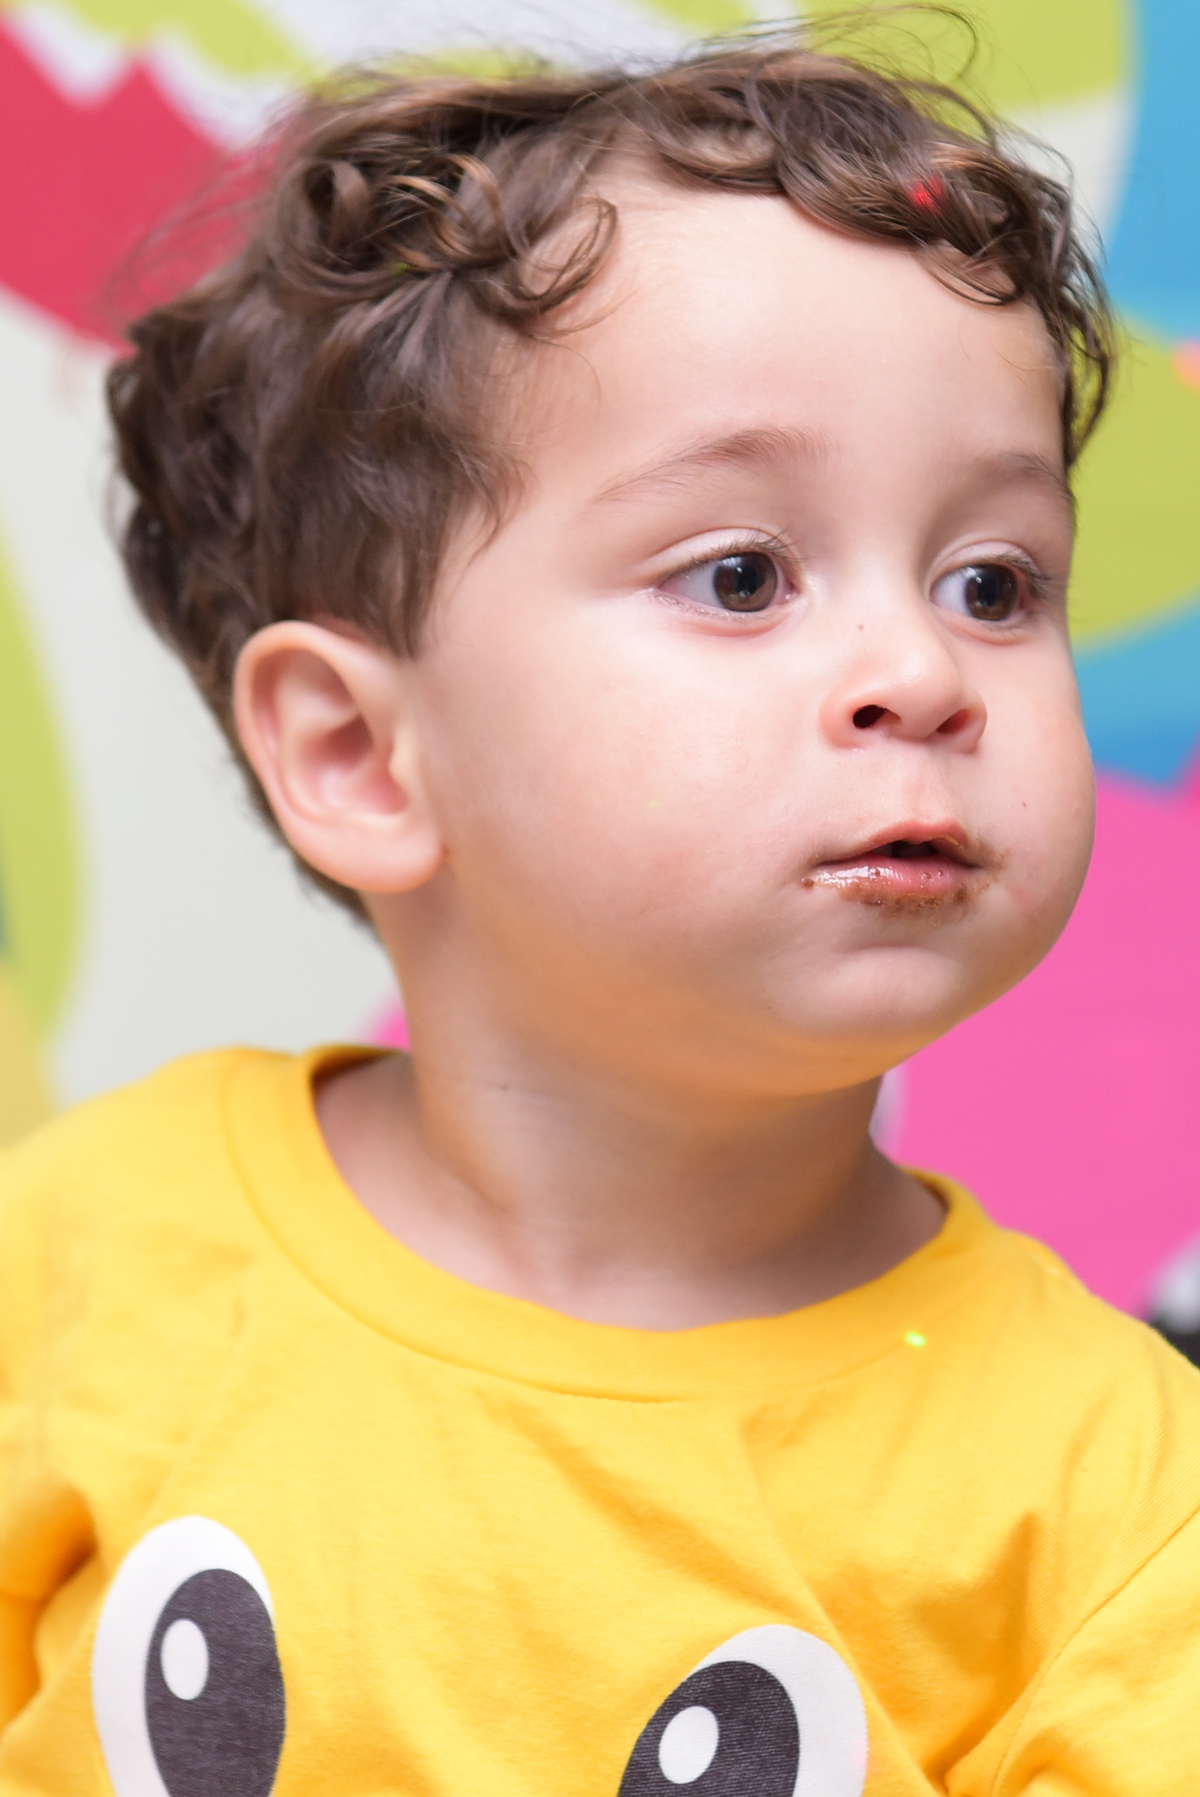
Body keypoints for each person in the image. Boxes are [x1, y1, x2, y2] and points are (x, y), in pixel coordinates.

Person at [1, 30, 1195, 1797]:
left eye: (994, 582)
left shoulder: (1118, 1489)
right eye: (743, 575)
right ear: (359, 753)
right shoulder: (87, 1246)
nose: (924, 669)